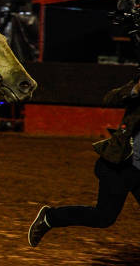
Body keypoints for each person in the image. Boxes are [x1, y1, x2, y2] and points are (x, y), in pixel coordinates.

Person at [28, 78, 140, 247]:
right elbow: (110, 99)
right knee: (103, 217)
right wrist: (136, 89)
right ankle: (50, 218)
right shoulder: (136, 88)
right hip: (121, 166)